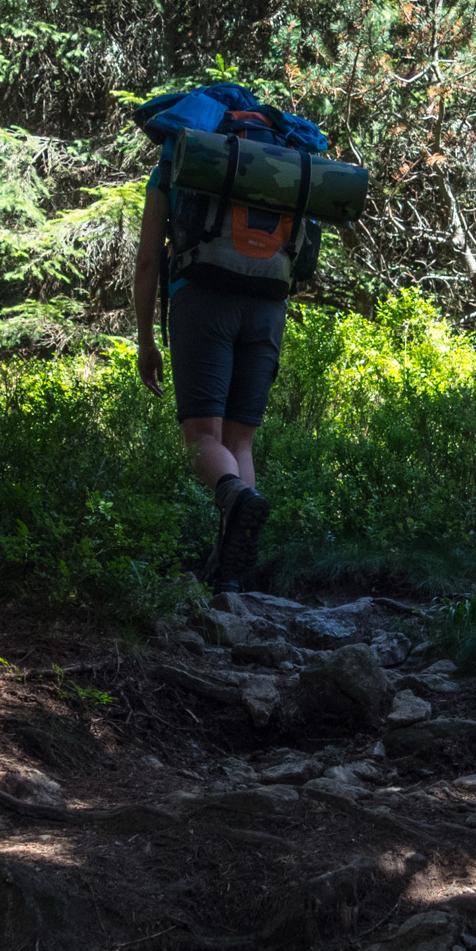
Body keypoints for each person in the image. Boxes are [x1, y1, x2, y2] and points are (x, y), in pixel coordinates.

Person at [130, 85, 322, 591]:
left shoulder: (181, 158)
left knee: (201, 439)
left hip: (202, 297)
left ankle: (236, 498)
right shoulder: (282, 158)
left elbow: (149, 258)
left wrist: (146, 339)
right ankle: (233, 573)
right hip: (267, 304)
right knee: (241, 439)